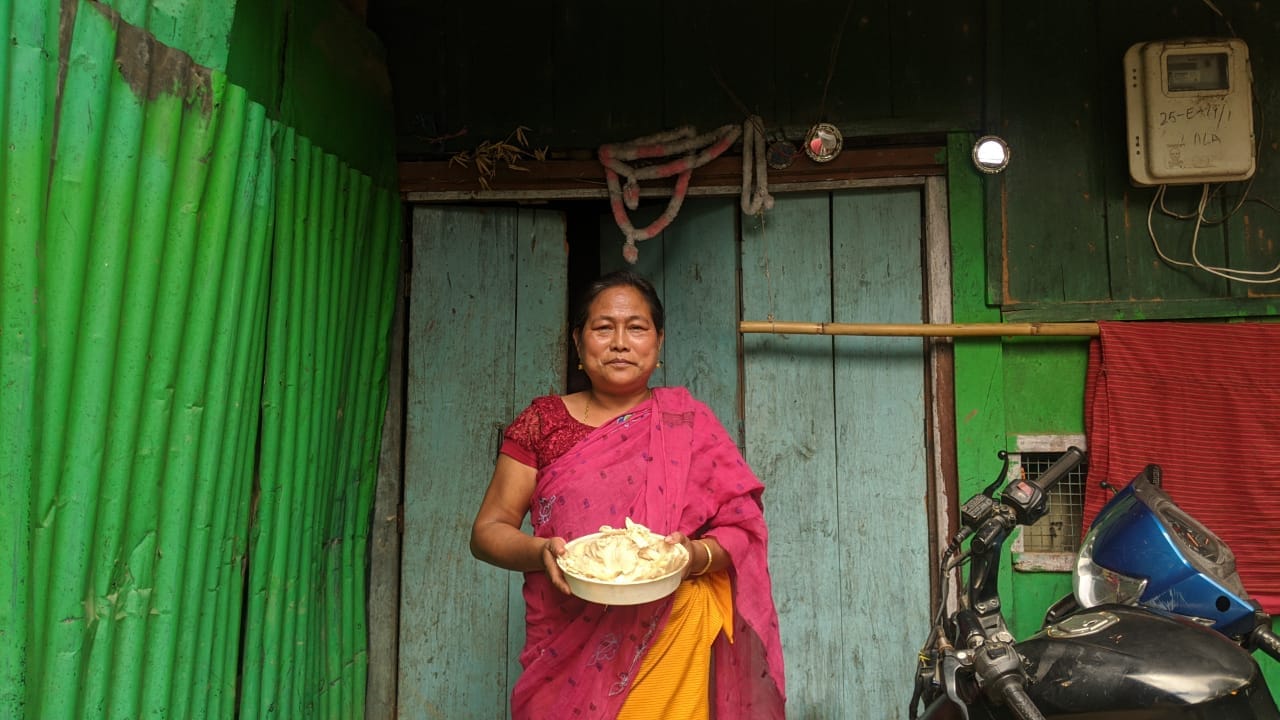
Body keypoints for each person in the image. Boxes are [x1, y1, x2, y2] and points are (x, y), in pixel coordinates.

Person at [470, 269, 786, 719]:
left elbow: (742, 528)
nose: (620, 342)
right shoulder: (542, 423)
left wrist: (693, 557)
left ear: (658, 342)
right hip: (565, 642)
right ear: (578, 342)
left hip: (670, 632)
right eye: (603, 328)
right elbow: (487, 531)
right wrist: (542, 552)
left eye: (636, 327)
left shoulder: (688, 422)